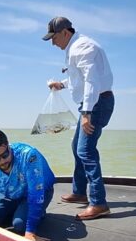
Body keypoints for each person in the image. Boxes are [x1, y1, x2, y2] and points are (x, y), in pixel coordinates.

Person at [43, 16, 115, 221]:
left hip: (97, 104)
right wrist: (62, 84)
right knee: (77, 147)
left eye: (54, 37)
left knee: (86, 150)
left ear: (65, 32)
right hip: (92, 103)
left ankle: (99, 203)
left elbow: (92, 81)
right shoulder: (74, 47)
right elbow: (80, 79)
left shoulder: (83, 47)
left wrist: (86, 113)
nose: (52, 43)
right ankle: (80, 192)